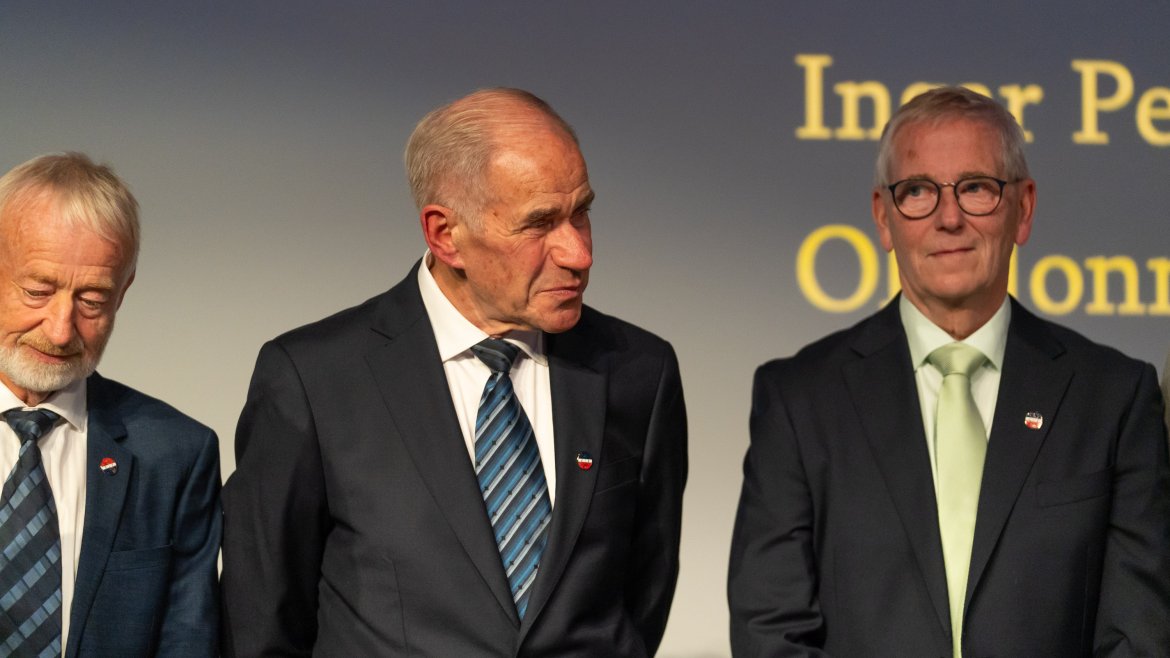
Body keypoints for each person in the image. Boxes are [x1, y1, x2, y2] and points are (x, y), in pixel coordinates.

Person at [221, 87, 687, 656]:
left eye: (581, 213)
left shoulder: (639, 371)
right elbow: (261, 619)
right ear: (445, 235)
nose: (578, 253)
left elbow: (643, 591)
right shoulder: (313, 379)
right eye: (539, 223)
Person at [728, 87, 1170, 656]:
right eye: (917, 191)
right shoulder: (799, 399)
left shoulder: (1114, 397)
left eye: (976, 188)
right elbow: (771, 631)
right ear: (883, 218)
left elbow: (1138, 635)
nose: (949, 218)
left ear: (1023, 208)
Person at [0, 153, 221, 657]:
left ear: (123, 292)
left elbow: (187, 640)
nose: (61, 330)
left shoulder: (175, 455)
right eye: (38, 291)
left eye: (92, 301)